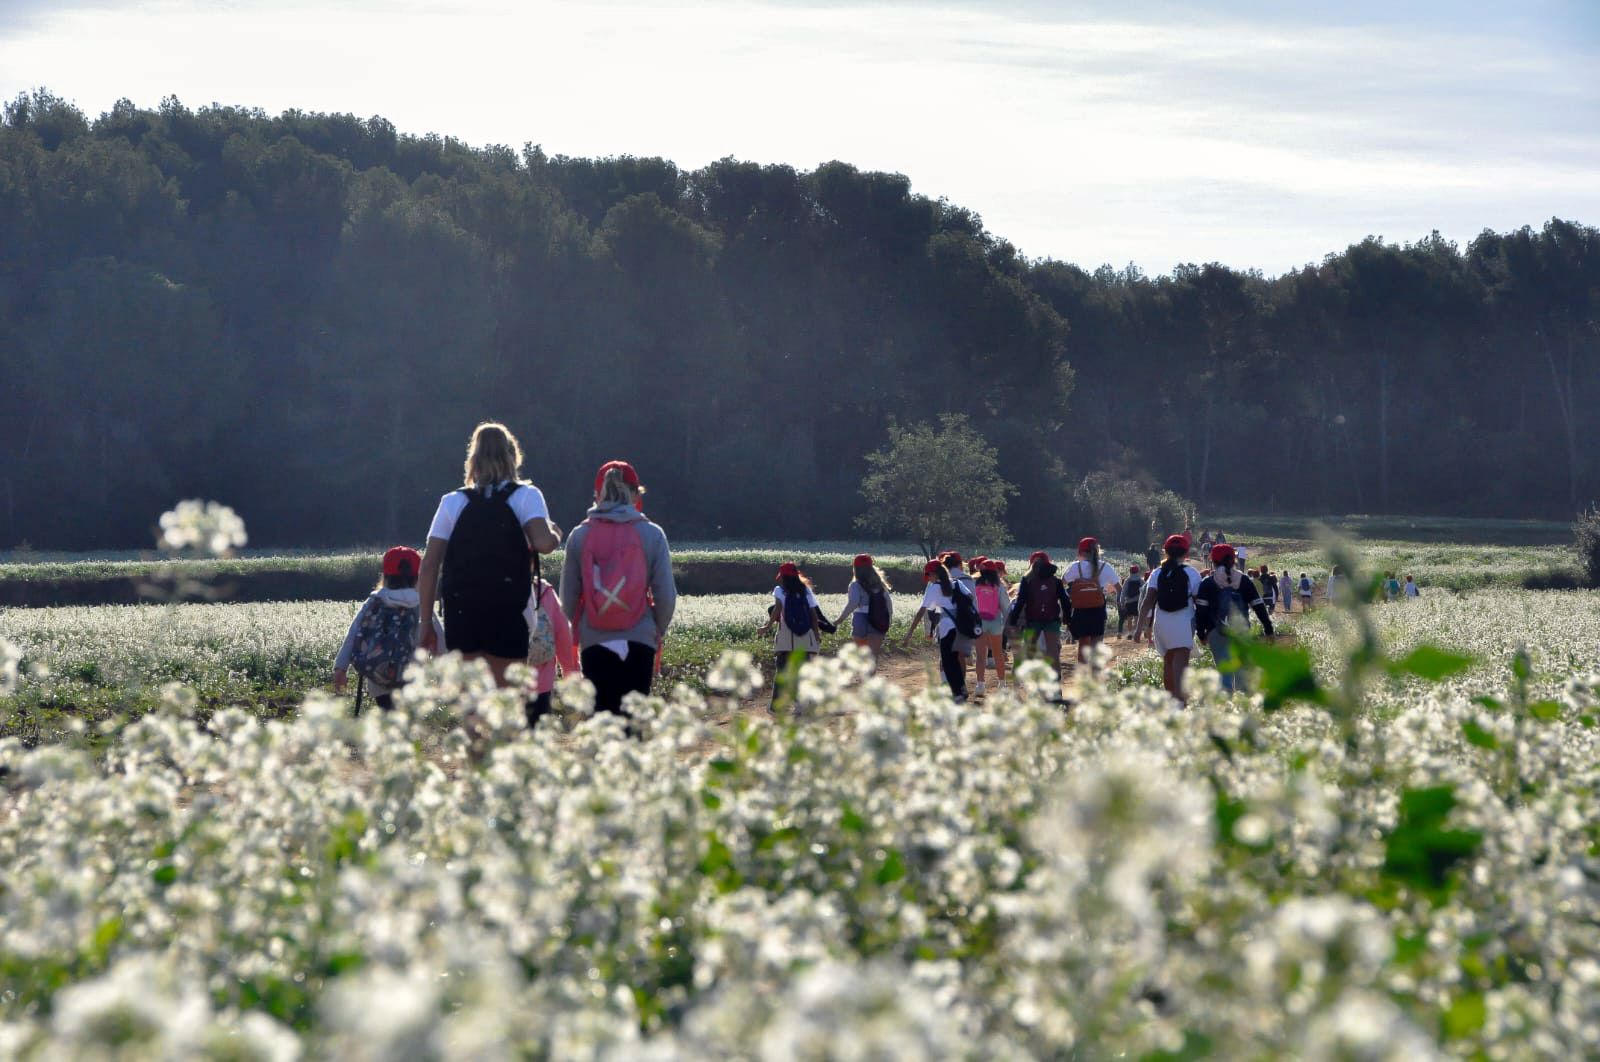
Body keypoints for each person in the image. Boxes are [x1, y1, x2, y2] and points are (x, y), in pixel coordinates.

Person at [418, 422, 562, 688]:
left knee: (472, 704)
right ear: (512, 455)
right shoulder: (526, 496)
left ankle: (473, 731)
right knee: (505, 705)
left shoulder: (452, 501)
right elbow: (543, 544)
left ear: (473, 458)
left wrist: (425, 621)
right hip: (508, 612)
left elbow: (429, 566)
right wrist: (555, 533)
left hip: (462, 613)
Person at [560, 461, 677, 719]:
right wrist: (656, 630)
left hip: (594, 642)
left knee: (603, 726)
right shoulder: (652, 534)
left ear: (597, 493)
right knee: (633, 726)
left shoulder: (579, 536)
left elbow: (567, 601)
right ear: (635, 493)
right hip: (640, 640)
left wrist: (578, 632)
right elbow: (666, 597)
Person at [334, 546, 445, 711]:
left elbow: (354, 633)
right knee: (406, 724)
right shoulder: (422, 604)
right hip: (412, 678)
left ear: (385, 575)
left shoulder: (375, 602)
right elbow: (438, 638)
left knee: (388, 719)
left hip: (379, 680)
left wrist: (340, 668)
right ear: (418, 577)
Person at [1194, 543, 1274, 694]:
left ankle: (1227, 704)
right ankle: (1243, 705)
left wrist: (1201, 633)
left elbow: (1201, 611)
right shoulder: (1243, 580)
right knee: (1242, 669)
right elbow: (1258, 605)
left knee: (1223, 669)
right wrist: (1268, 628)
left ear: (1213, 561)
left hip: (1216, 631)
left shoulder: (1208, 583)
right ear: (1233, 560)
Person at [1135, 534, 1202, 703]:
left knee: (1169, 662)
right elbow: (1199, 602)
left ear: (1165, 552)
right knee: (1181, 664)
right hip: (1183, 621)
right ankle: (1181, 701)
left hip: (1162, 622)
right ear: (1186, 553)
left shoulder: (1157, 573)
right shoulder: (1191, 573)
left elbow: (1147, 601)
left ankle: (1171, 700)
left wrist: (1139, 628)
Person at [522, 555, 579, 728]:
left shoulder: (492, 590)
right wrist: (570, 672)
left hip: (503, 681)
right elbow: (563, 635)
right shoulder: (544, 591)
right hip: (541, 681)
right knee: (537, 733)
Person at [904, 559, 973, 702]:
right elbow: (970, 597)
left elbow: (922, 611)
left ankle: (957, 694)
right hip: (961, 626)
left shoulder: (935, 587)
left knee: (948, 662)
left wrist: (910, 632)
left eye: (928, 575)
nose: (928, 579)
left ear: (934, 574)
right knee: (955, 660)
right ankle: (961, 690)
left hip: (947, 628)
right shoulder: (957, 583)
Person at [760, 562, 826, 710]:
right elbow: (813, 615)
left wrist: (767, 626)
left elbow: (777, 609)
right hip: (804, 635)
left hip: (786, 636)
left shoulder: (779, 590)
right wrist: (816, 634)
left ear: (782, 577)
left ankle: (777, 706)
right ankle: (800, 704)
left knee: (782, 670)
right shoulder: (806, 591)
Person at [1007, 551, 1072, 686]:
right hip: (1052, 619)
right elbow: (1066, 601)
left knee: (1029, 651)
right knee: (1052, 651)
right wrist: (1067, 618)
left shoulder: (1027, 580)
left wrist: (1013, 621)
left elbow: (1020, 602)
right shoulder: (1056, 581)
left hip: (1032, 620)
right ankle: (1055, 687)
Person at [1062, 537, 1119, 668]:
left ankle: (1082, 676)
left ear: (1080, 552)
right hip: (1098, 609)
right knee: (1096, 644)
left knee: (1083, 644)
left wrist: (1069, 598)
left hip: (1080, 609)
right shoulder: (1105, 567)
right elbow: (1119, 589)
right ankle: (1095, 676)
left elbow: (1060, 585)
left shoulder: (1075, 567)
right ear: (1097, 550)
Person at [833, 554, 893, 657]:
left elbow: (853, 603)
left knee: (861, 655)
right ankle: (871, 673)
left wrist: (840, 619)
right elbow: (888, 603)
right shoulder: (880, 585)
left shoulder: (855, 585)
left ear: (855, 568)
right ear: (871, 568)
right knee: (873, 654)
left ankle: (863, 672)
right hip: (878, 619)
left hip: (860, 619)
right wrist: (888, 618)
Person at [972, 559, 1011, 695]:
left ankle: (980, 685)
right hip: (995, 621)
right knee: (997, 654)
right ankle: (1002, 684)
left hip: (979, 622)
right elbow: (1006, 607)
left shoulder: (974, 584)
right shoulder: (999, 585)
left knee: (980, 655)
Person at [1116, 564, 1144, 637]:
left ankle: (1130, 633)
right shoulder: (1140, 580)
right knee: (1137, 618)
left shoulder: (1127, 580)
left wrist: (1122, 602)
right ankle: (1135, 632)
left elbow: (1123, 592)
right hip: (1138, 602)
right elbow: (1144, 591)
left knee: (1129, 618)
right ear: (1138, 571)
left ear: (1130, 571)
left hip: (1128, 602)